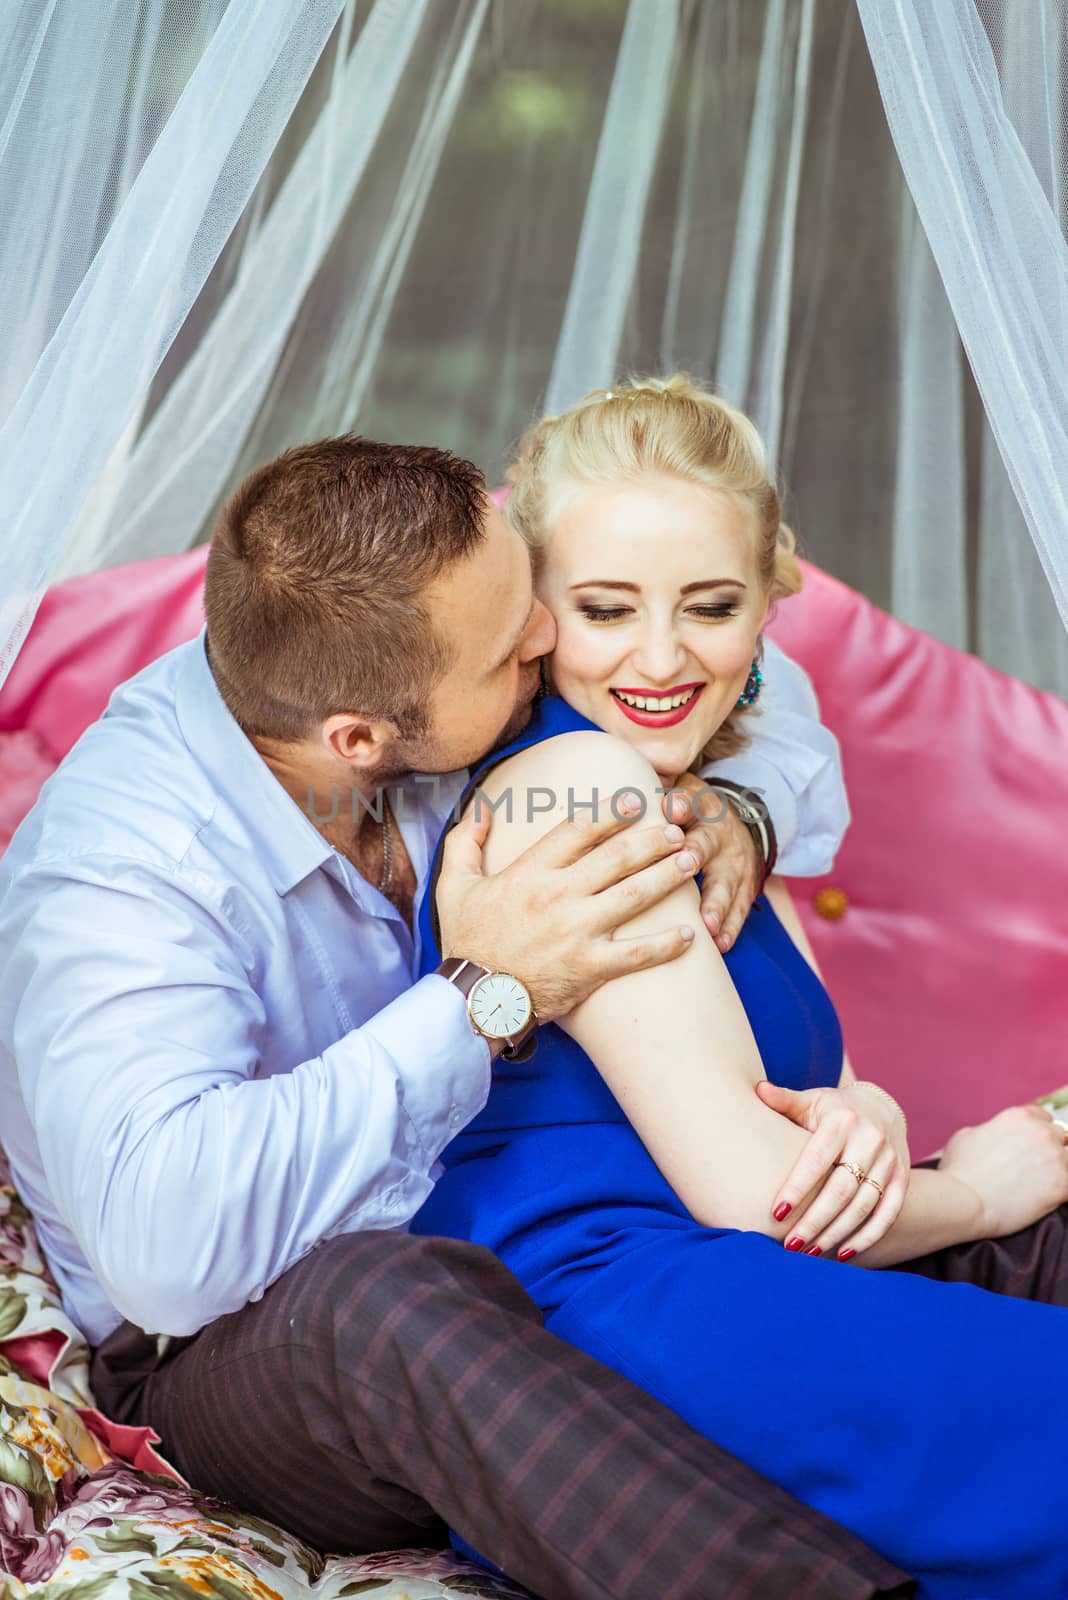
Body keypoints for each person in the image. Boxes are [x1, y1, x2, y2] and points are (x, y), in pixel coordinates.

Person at [0, 436, 915, 1600]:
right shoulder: (121, 876)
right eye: (515, 643)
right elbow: (170, 1258)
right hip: (239, 1341)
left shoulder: (416, 630)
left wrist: (735, 801)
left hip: (495, 1214)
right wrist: (485, 992)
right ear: (358, 740)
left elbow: (711, 677)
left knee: (926, 1221)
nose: (547, 637)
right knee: (382, 1307)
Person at [411, 375, 1068, 1600]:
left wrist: (874, 1120)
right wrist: (973, 1186)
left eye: (709, 606)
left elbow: (817, 1105)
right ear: (534, 611)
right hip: (614, 1331)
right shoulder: (580, 785)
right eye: (606, 609)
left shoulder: (712, 813)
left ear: (772, 599)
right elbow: (767, 1198)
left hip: (728, 1286)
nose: (661, 659)